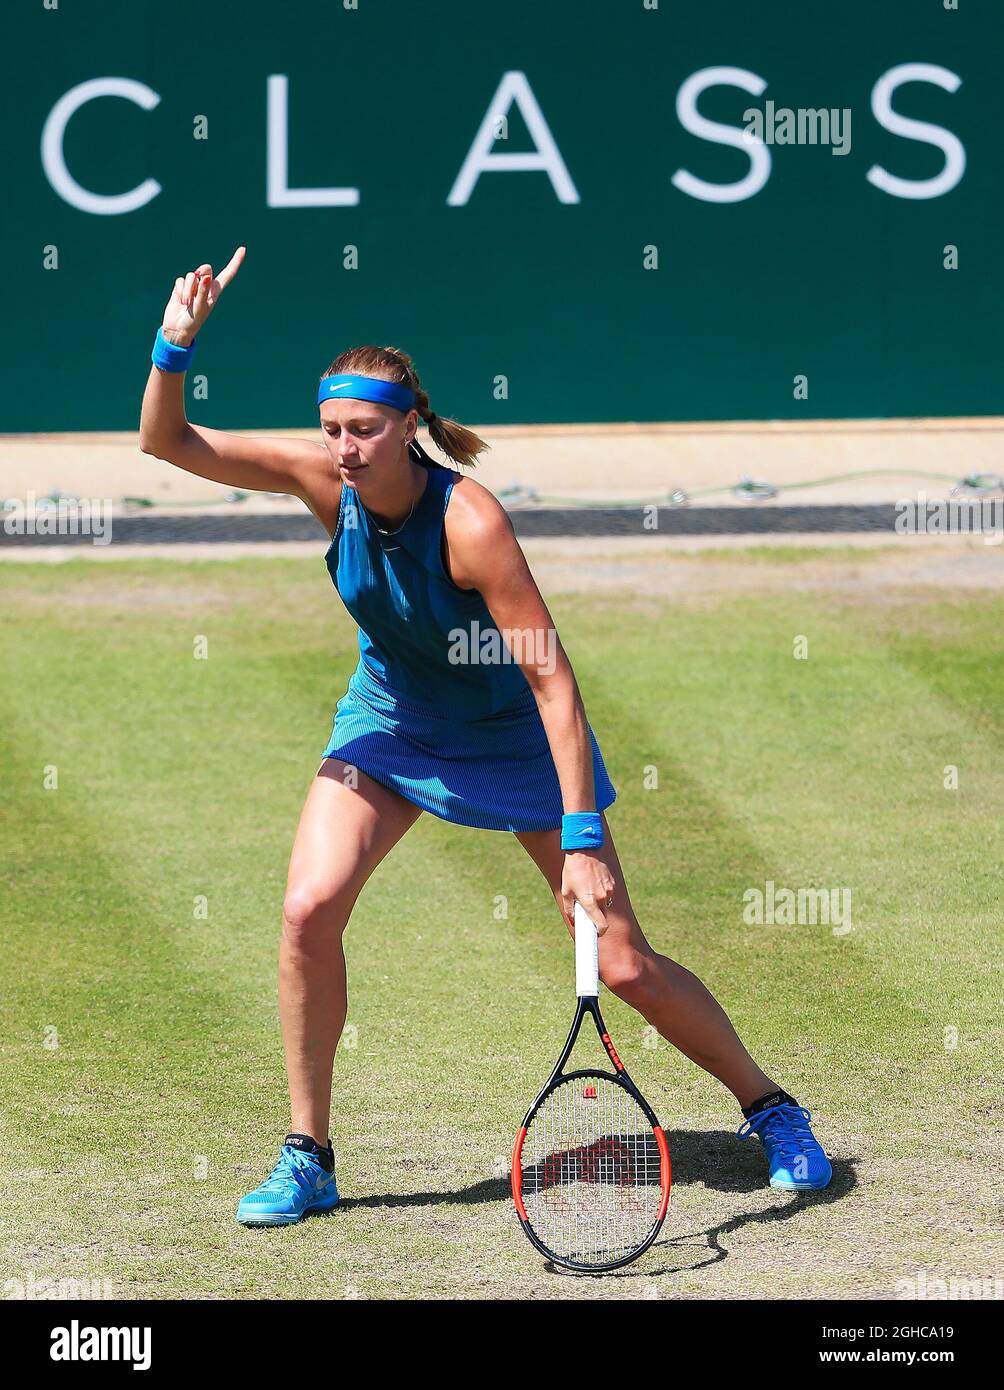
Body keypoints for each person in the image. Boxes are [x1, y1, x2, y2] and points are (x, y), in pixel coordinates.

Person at [139, 247, 833, 1228]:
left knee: (622, 961)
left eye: (365, 431)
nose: (344, 448)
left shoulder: (469, 523)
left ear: (410, 425)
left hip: (512, 736)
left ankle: (770, 1108)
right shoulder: (318, 480)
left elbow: (549, 675)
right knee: (306, 911)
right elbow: (166, 444)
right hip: (392, 723)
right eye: (332, 429)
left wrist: (583, 834)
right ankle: (309, 1153)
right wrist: (176, 341)